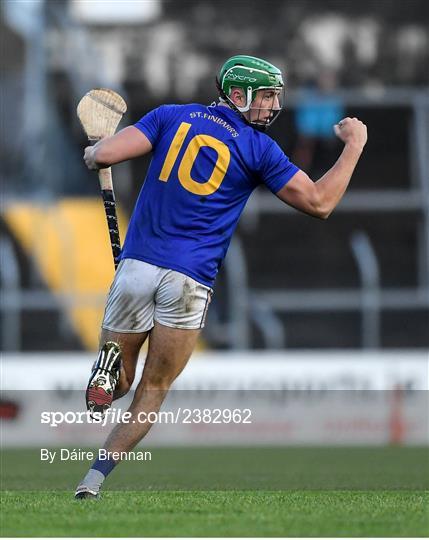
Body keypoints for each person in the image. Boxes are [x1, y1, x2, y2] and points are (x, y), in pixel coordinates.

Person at [75, 54, 367, 498]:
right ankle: (92, 481)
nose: (272, 107)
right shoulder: (258, 148)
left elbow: (107, 154)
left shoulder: (169, 115)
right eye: (266, 97)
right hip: (190, 281)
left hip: (136, 268)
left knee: (119, 383)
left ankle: (107, 373)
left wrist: (94, 151)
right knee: (154, 388)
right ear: (236, 94)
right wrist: (354, 146)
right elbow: (320, 203)